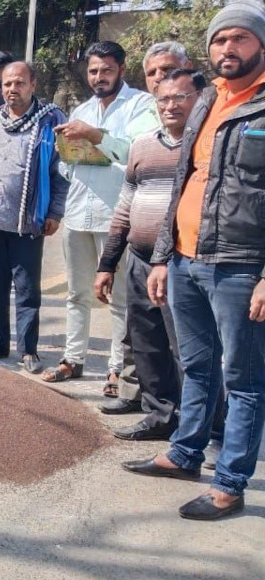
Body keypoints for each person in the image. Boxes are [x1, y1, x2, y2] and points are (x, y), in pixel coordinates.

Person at [123, 1, 265, 521]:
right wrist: (163, 257)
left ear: (261, 46)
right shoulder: (207, 102)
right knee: (197, 367)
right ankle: (185, 454)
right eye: (221, 39)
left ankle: (230, 483)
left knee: (244, 379)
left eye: (241, 39)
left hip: (241, 265)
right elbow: (185, 179)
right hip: (185, 259)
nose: (229, 48)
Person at [95, 69, 204, 442]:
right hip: (140, 259)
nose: (170, 105)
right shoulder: (143, 145)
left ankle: (200, 428)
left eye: (181, 97)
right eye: (163, 99)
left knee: (187, 349)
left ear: (199, 99)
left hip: (183, 261)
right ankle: (160, 416)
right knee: (146, 343)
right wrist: (108, 261)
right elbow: (126, 205)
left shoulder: (205, 146)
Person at [44, 41, 157, 395]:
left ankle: (115, 369)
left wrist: (93, 137)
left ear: (121, 70)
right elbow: (65, 166)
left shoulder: (141, 105)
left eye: (106, 70)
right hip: (79, 211)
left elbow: (135, 150)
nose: (99, 77)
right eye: (93, 71)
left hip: (116, 215)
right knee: (77, 294)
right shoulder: (83, 108)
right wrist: (70, 152)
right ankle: (72, 358)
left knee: (120, 297)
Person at [0, 61, 69, 373]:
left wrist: (54, 212)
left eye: (19, 83)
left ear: (32, 85)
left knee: (27, 289)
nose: (12, 89)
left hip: (27, 220)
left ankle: (28, 350)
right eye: (7, 84)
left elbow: (60, 172)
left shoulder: (50, 120)